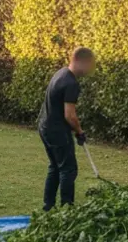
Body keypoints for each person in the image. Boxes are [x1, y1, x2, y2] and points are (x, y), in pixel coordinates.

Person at [37, 46, 96, 211]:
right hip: (57, 131)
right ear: (80, 61)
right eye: (89, 65)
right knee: (68, 169)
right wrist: (80, 132)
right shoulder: (71, 83)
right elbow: (70, 115)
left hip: (45, 127)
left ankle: (48, 206)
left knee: (55, 166)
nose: (89, 70)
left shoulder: (60, 73)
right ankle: (67, 209)